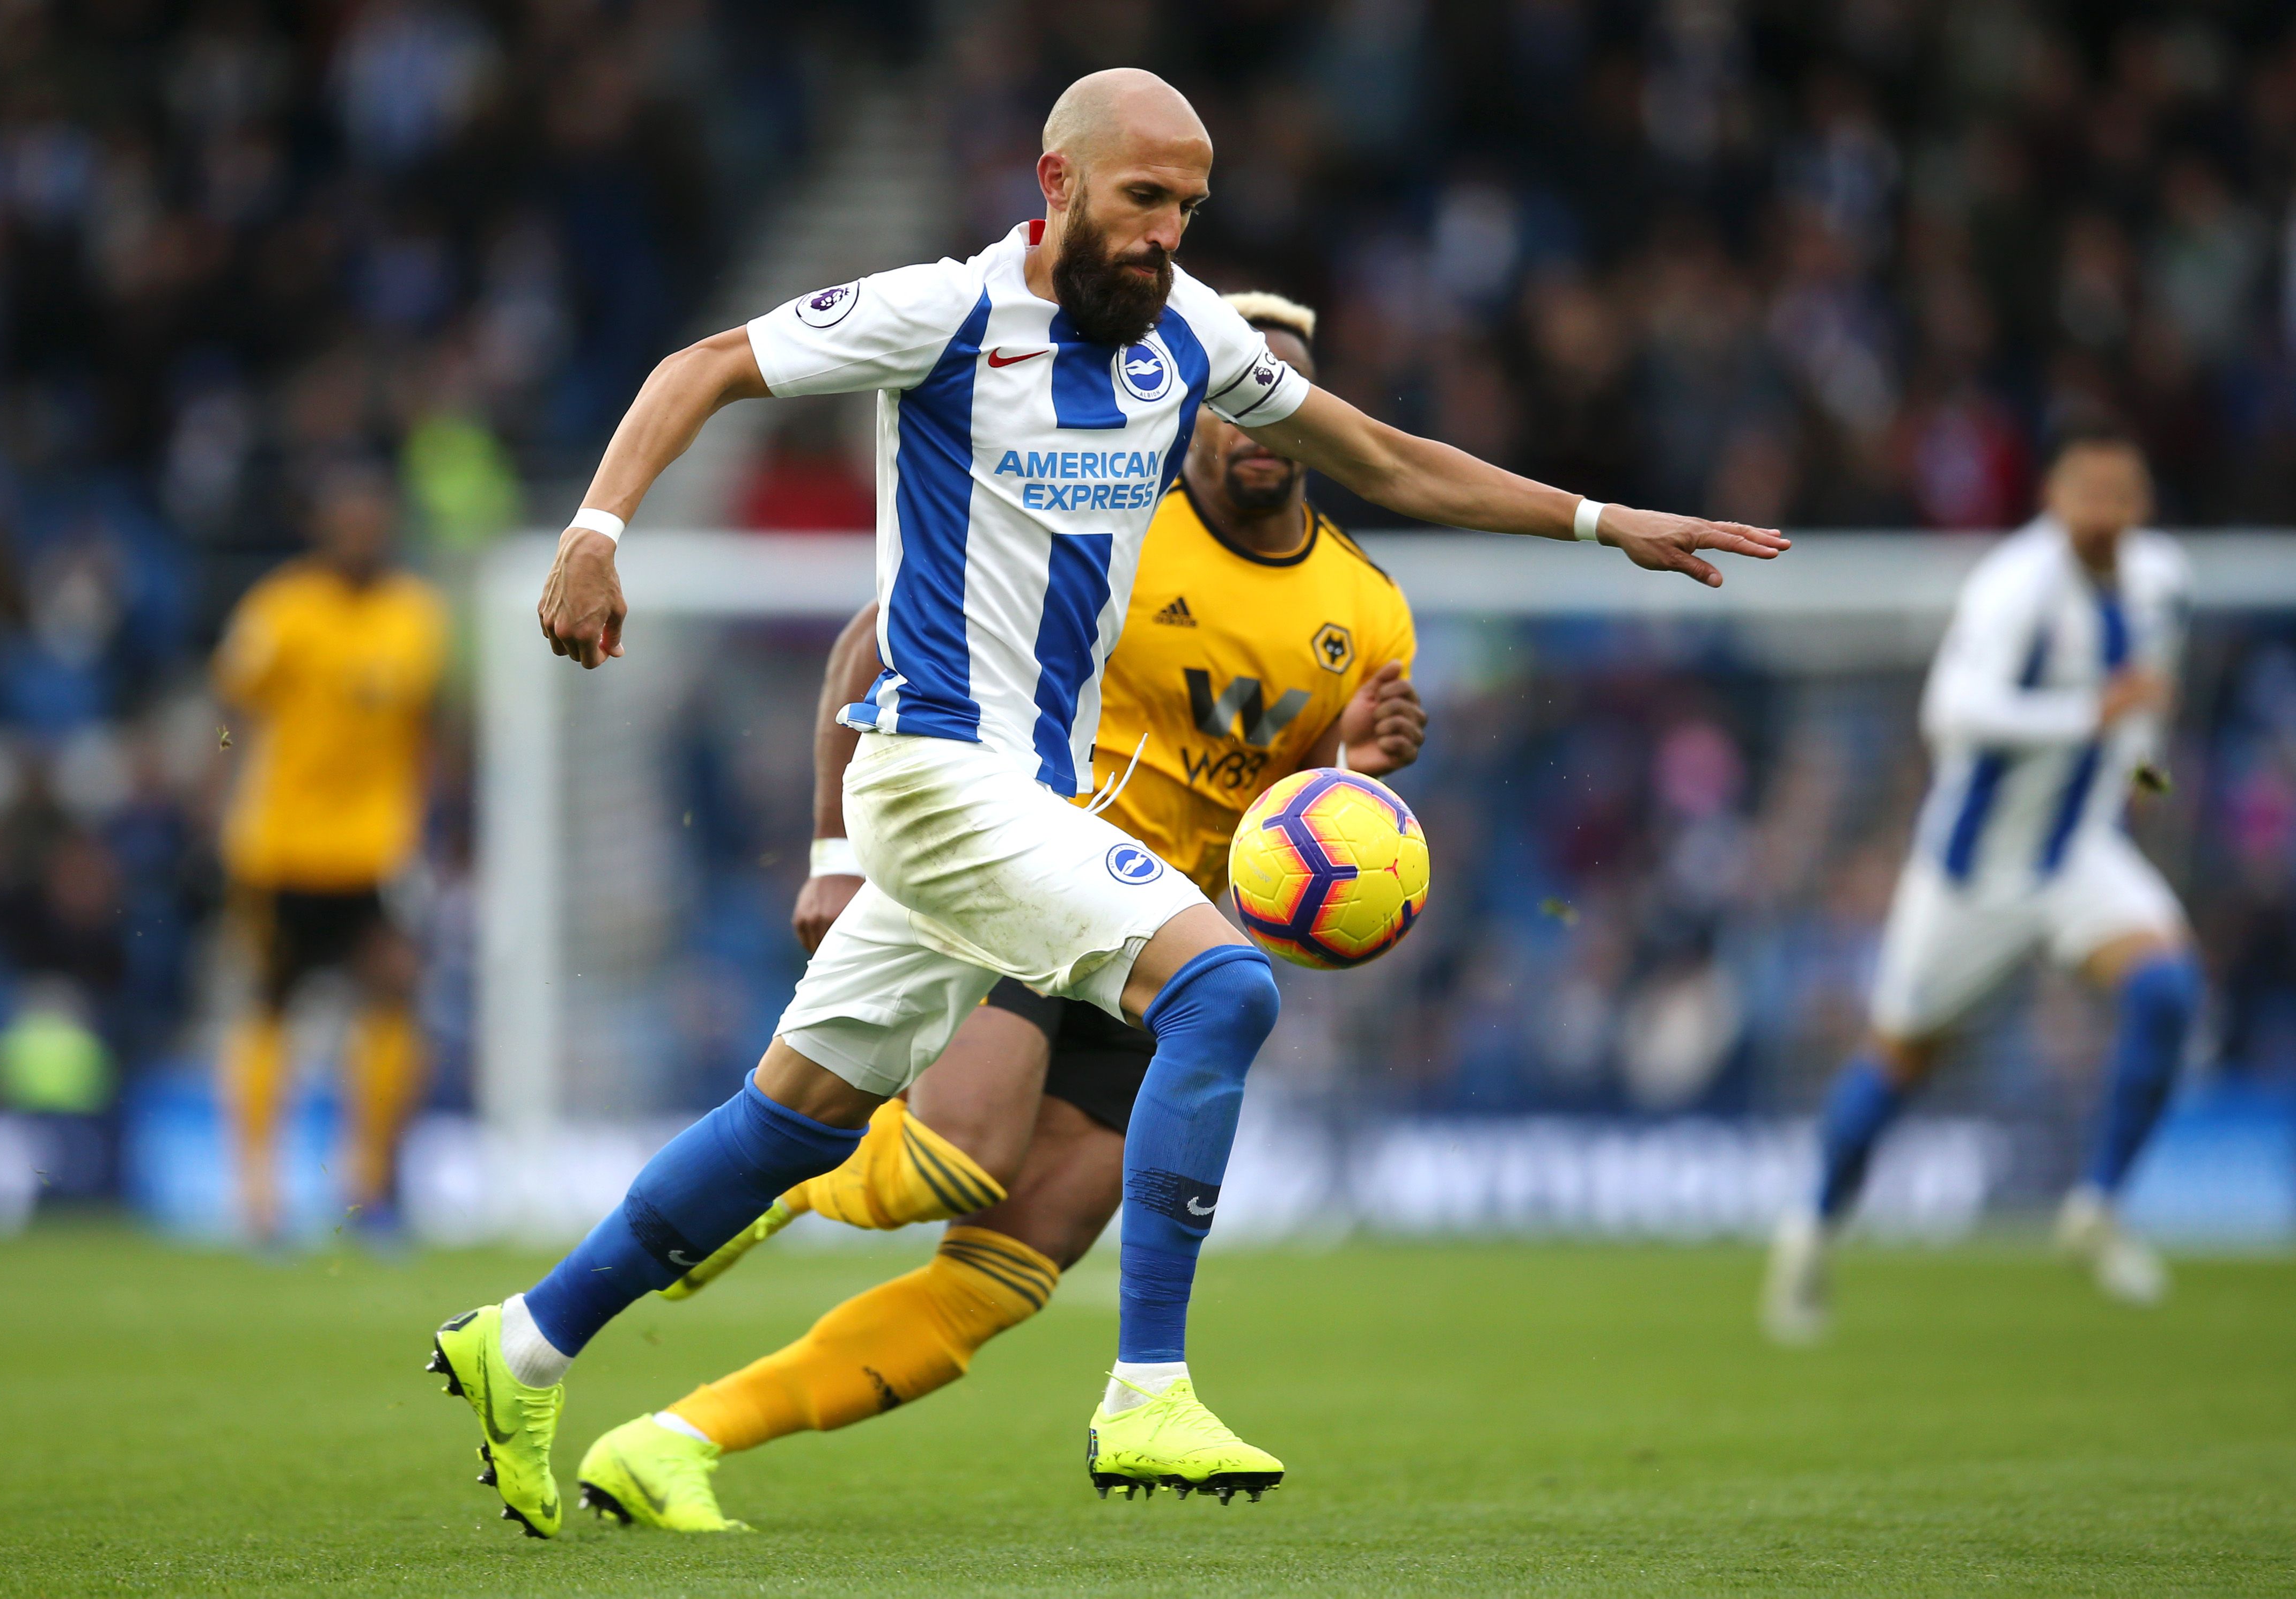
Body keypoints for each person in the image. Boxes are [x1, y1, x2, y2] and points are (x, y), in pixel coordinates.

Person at [429, 68, 1785, 1539]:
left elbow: (1385, 458)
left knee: (791, 1123)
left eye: (1190, 207)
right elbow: (700, 365)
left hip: (1029, 794)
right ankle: (1148, 1389)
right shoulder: (943, 312)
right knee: (1225, 990)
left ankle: (523, 1343)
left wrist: (1603, 523)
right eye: (1145, 199)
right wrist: (595, 530)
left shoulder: (1191, 335)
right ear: (1059, 183)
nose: (1168, 234)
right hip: (941, 771)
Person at [571, 293, 1426, 1531]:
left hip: (1164, 951)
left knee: (1003, 1275)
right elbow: (872, 645)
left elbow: (1291, 840)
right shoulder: (1109, 526)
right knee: (957, 1152)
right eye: (1236, 403)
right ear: (1189, 412)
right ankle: (768, 1192)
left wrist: (1352, 768)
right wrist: (833, 851)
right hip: (1035, 872)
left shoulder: (1369, 607)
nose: (1258, 430)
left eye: (1280, 407)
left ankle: (675, 1438)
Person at [1762, 420, 2198, 1345]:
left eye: (2123, 498)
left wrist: (2145, 781)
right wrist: (2089, 714)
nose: (2106, 516)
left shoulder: (2163, 584)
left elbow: (2143, 732)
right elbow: (1951, 712)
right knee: (1899, 1061)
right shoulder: (2016, 586)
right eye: (2090, 497)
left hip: (2076, 851)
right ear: (2056, 500)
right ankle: (1808, 1234)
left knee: (2166, 986)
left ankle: (2098, 1208)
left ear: (2141, 507)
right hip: (1972, 874)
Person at [215, 463, 447, 1242]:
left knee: (394, 995)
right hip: (282, 847)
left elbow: (431, 726)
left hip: (376, 848)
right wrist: (226, 806)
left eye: (372, 521)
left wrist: (433, 823)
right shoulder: (282, 610)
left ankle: (370, 1187)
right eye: (347, 521)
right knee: (271, 1001)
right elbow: (230, 713)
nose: (361, 535)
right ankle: (258, 1195)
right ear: (321, 529)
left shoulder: (415, 614)